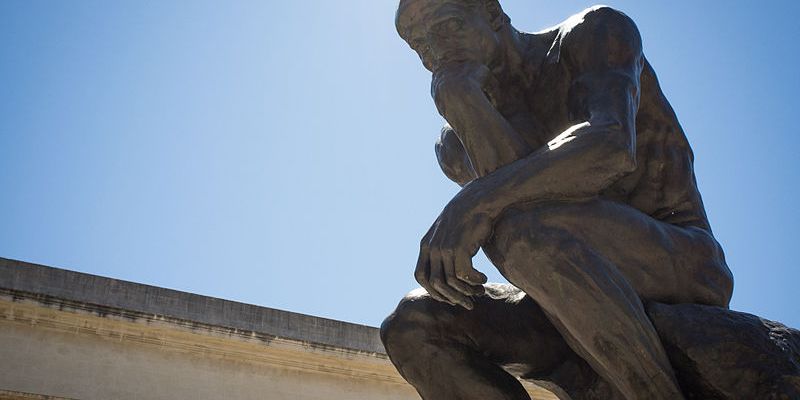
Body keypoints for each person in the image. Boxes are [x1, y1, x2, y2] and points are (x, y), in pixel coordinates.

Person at [380, 1, 735, 399]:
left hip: (678, 260)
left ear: (493, 14)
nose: (435, 52)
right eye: (419, 46)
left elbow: (610, 147)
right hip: (560, 293)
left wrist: (475, 202)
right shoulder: (455, 141)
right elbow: (516, 200)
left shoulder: (593, 34)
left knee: (520, 230)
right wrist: (461, 101)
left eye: (446, 27)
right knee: (413, 324)